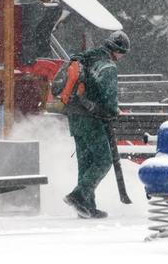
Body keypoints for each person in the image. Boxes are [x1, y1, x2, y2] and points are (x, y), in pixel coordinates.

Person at [63, 30, 130, 219]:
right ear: (117, 51)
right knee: (103, 160)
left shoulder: (86, 57)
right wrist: (113, 111)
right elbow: (109, 98)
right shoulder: (107, 66)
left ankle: (87, 207)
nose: (121, 58)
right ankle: (78, 195)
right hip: (90, 118)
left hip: (74, 115)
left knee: (85, 163)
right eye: (122, 54)